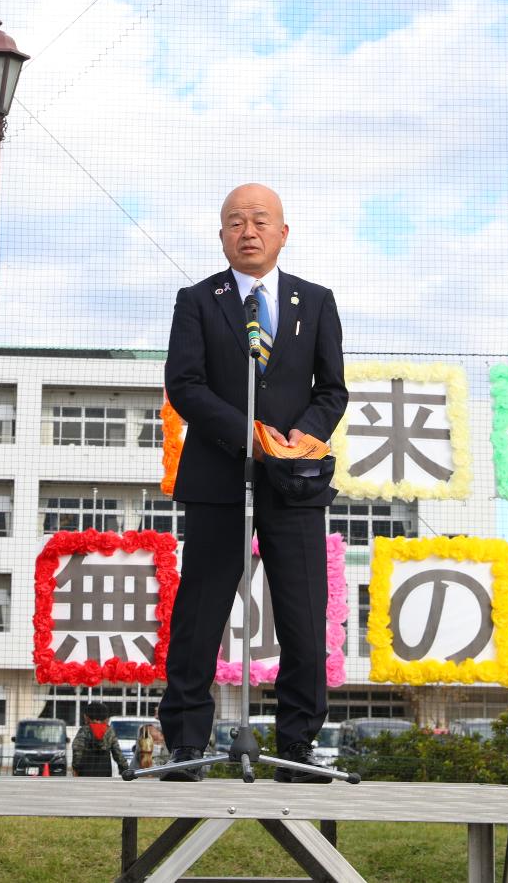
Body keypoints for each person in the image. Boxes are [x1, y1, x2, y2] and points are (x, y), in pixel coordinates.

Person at [158, 183, 346, 784]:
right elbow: (185, 386)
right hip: (218, 477)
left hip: (294, 483)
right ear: (221, 235)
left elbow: (331, 390)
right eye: (235, 221)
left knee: (304, 615)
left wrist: (296, 437)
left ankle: (297, 745)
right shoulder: (198, 300)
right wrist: (250, 436)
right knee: (199, 614)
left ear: (283, 232)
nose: (248, 230)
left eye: (261, 220)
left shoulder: (315, 302)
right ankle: (187, 744)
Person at [69, 702, 133, 778]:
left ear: (88, 716)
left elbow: (77, 749)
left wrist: (76, 767)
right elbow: (117, 753)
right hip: (105, 769)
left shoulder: (84, 730)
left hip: (85, 769)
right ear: (105, 716)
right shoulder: (109, 731)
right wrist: (124, 769)